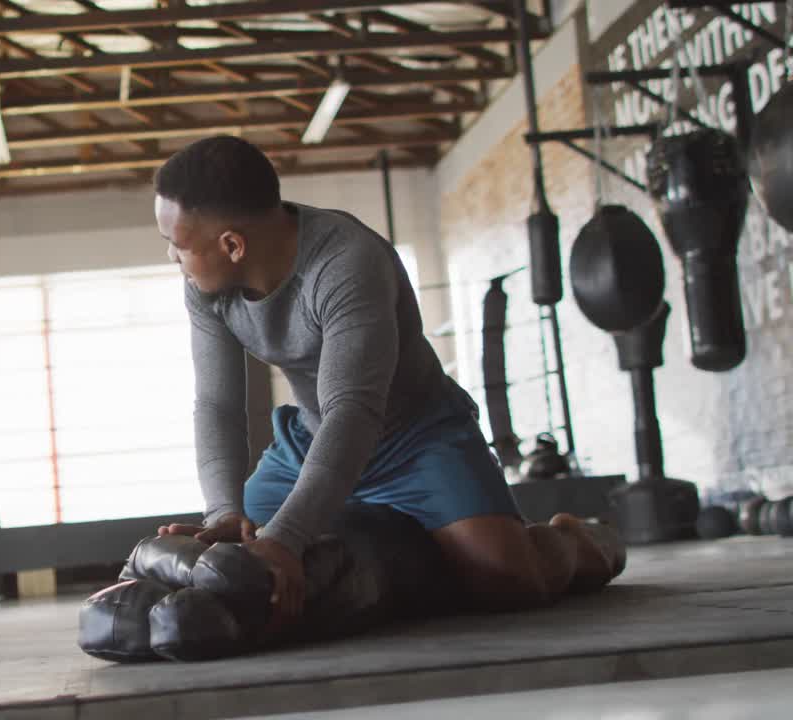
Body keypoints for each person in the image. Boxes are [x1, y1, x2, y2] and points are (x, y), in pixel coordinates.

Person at [153, 136, 624, 626]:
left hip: (416, 437)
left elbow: (353, 411)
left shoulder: (345, 262)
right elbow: (217, 405)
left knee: (511, 581)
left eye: (176, 244)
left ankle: (579, 538)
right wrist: (224, 513)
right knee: (234, 562)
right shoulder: (205, 287)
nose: (172, 256)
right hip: (311, 442)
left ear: (232, 244)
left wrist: (285, 538)